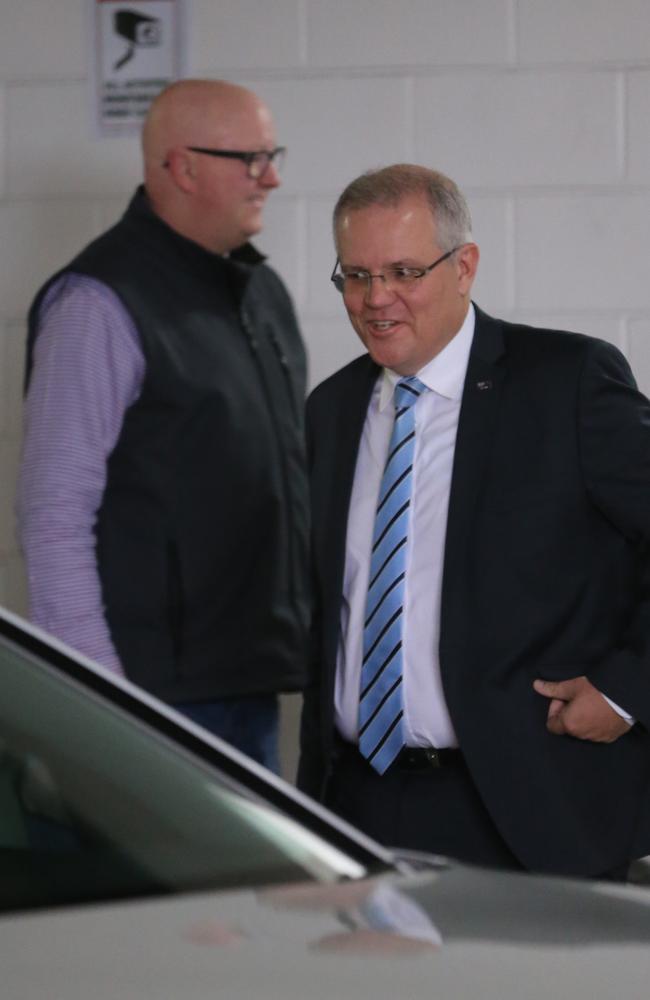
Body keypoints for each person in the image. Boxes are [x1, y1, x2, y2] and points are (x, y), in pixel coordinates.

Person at [297, 163, 650, 877]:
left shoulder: (566, 382)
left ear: (465, 266)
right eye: (356, 276)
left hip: (528, 807)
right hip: (357, 805)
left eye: (403, 271)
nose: (376, 299)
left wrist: (628, 687)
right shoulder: (332, 410)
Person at [17, 79, 310, 772]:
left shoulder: (258, 292)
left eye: (273, 155)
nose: (270, 176)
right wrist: (97, 697)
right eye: (249, 158)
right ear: (180, 166)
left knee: (245, 885)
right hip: (146, 700)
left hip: (247, 682)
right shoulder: (97, 303)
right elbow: (54, 513)